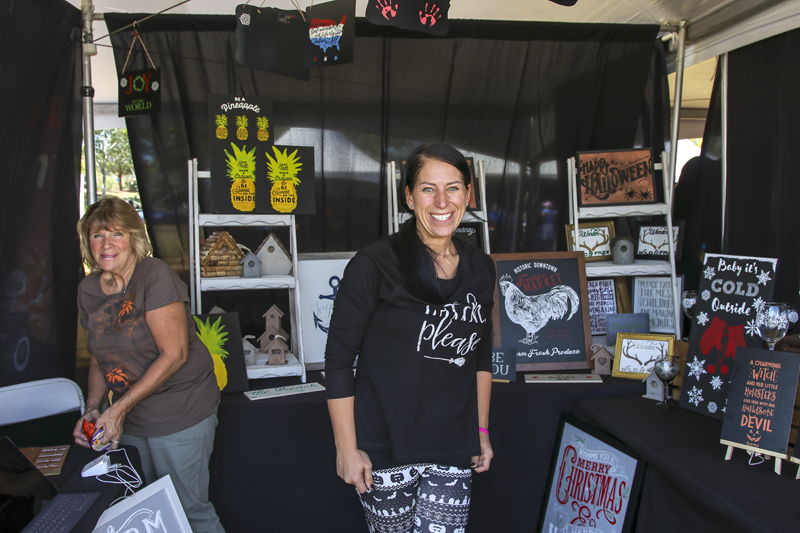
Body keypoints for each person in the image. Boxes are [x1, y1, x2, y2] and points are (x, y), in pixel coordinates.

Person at [325, 143, 495, 533]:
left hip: (454, 446)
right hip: (383, 448)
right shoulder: (374, 264)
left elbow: (481, 355)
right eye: (428, 188)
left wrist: (481, 432)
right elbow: (338, 362)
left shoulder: (481, 267)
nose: (442, 201)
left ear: (468, 194)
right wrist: (345, 448)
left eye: (453, 188)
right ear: (409, 196)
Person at [72, 197, 225, 533]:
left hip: (180, 410)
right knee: (144, 511)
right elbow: (100, 357)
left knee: (189, 511)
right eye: (98, 235)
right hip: (131, 419)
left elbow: (175, 354)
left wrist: (118, 409)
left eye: (117, 233)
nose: (107, 244)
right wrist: (94, 407)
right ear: (87, 242)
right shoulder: (87, 290)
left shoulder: (153, 275)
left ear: (134, 237)